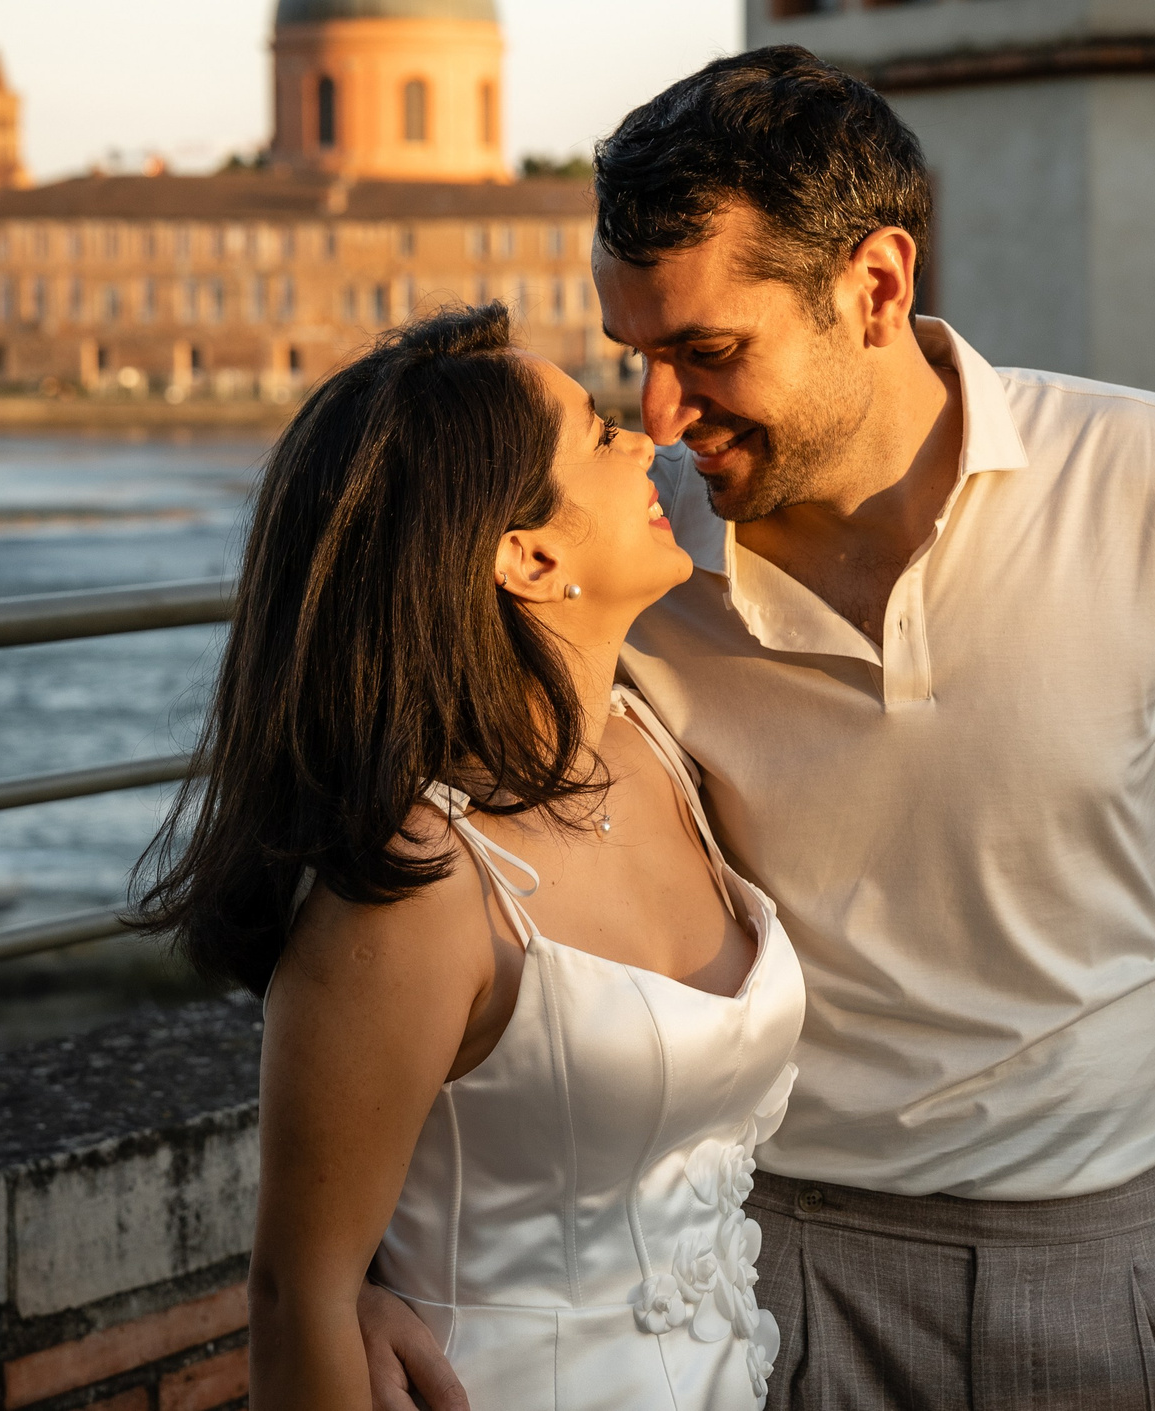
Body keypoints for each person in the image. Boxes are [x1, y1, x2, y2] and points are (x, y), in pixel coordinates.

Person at [360, 47, 1155, 1408]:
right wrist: (344, 1263)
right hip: (766, 1282)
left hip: (1118, 1260)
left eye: (708, 352)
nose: (661, 416)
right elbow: (387, 860)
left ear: (875, 285)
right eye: (637, 358)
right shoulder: (626, 563)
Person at [137, 306, 806, 1411]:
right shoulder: (414, 890)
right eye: (598, 434)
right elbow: (296, 1292)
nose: (645, 440)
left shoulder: (654, 743)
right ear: (528, 557)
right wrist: (356, 1290)